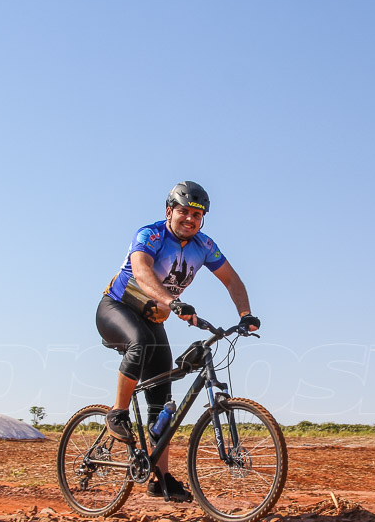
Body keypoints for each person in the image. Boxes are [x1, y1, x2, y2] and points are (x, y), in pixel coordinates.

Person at [97, 181, 260, 502]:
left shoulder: (204, 245)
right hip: (116, 308)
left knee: (161, 402)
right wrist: (172, 303)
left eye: (197, 214)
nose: (190, 219)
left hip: (153, 316)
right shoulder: (151, 234)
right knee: (141, 343)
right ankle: (117, 413)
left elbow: (232, 279)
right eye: (183, 211)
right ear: (169, 211)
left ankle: (159, 478)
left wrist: (246, 314)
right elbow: (142, 272)